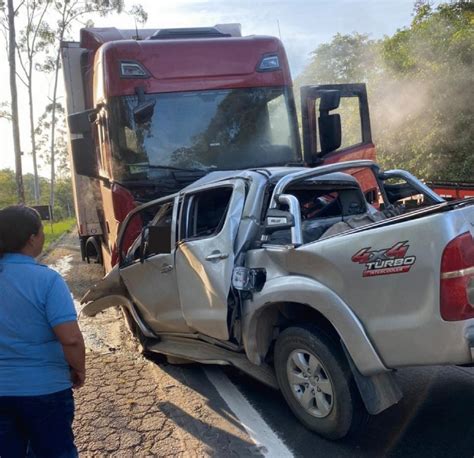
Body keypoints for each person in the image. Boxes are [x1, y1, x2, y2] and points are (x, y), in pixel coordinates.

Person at [0, 205, 85, 457]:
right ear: (32, 238)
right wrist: (78, 369)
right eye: (41, 231)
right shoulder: (47, 280)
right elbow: (70, 339)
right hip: (45, 390)